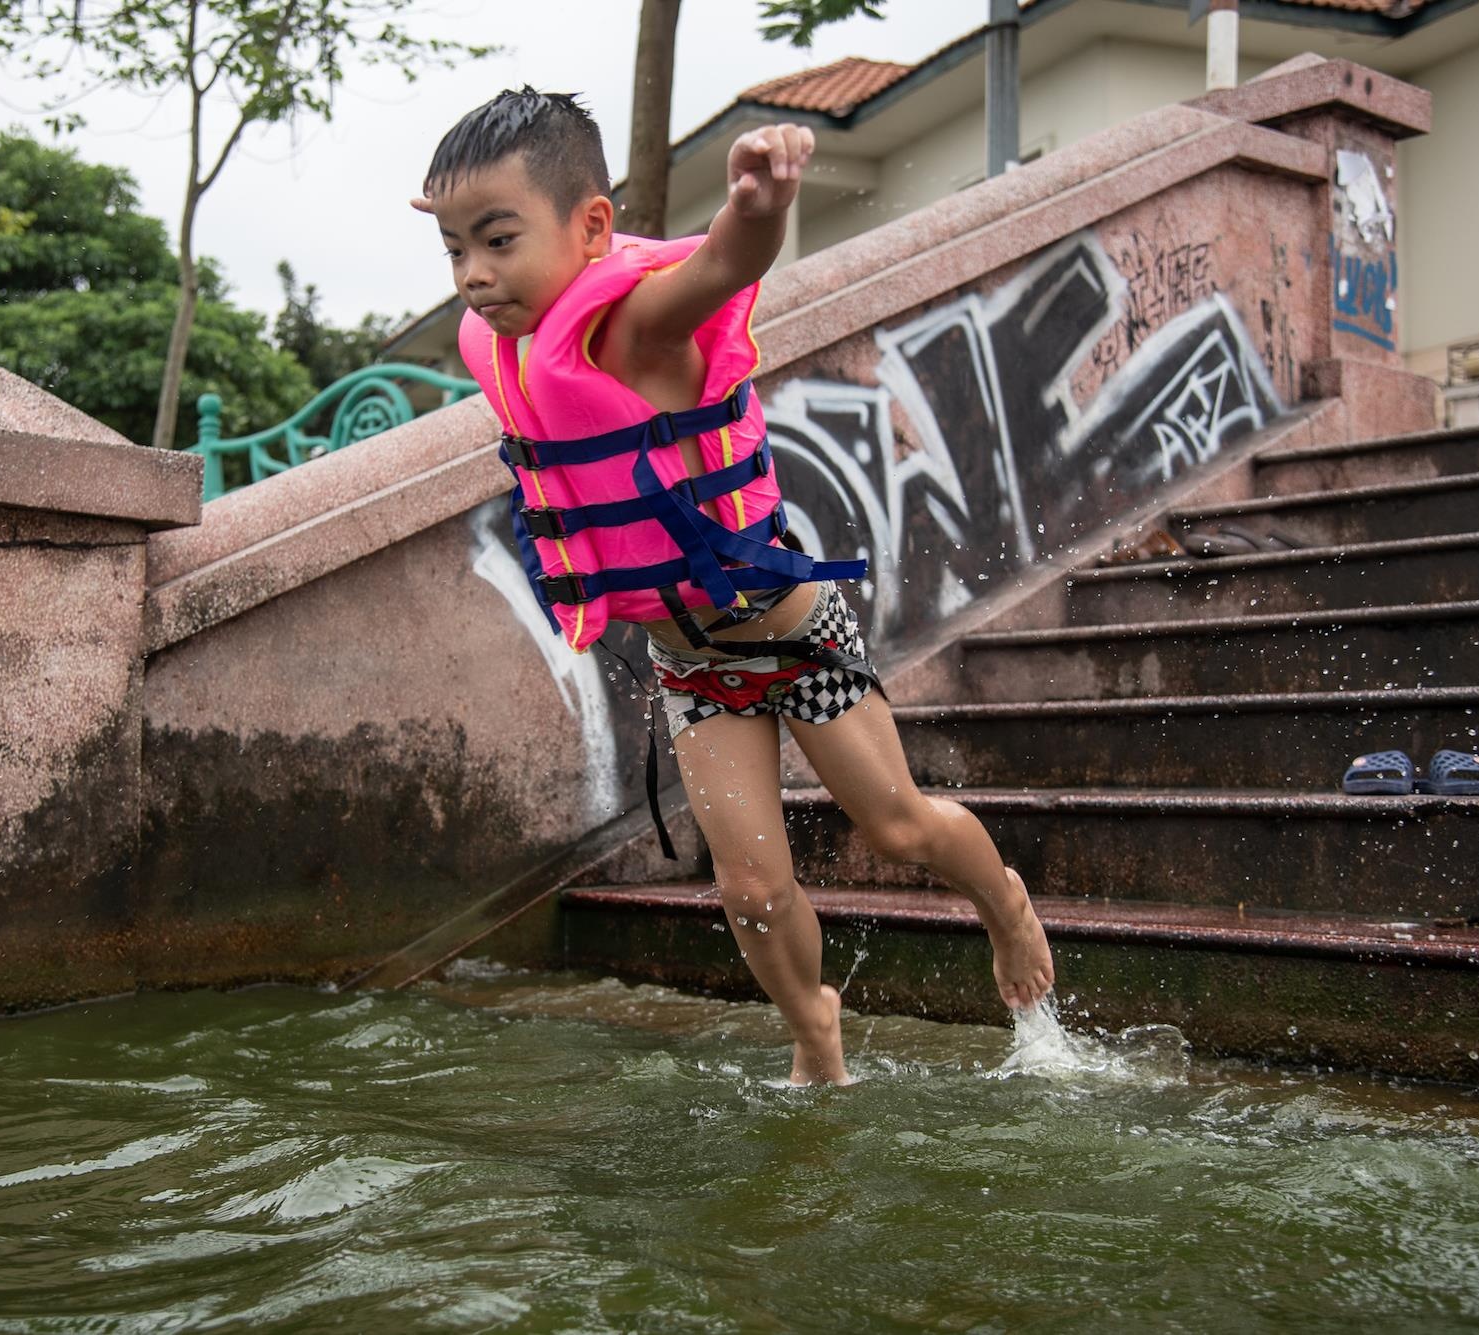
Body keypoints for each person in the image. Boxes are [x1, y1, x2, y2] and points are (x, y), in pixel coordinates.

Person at [415, 88, 1053, 1086]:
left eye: (496, 240)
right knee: (750, 889)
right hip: (691, 668)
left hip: (790, 636)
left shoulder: (635, 328)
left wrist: (758, 203)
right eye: (453, 249)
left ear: (590, 228)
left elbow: (723, 262)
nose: (472, 275)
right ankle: (814, 1031)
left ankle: (1004, 906)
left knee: (894, 826)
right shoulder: (512, 357)